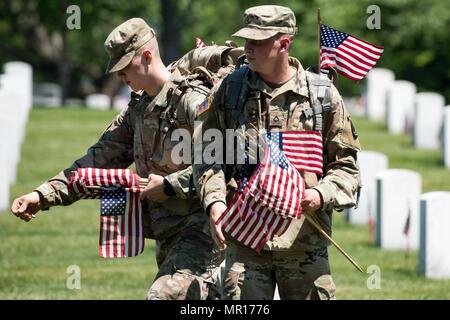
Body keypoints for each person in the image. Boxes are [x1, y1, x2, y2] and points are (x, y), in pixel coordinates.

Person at [10, 17, 224, 300]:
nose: (119, 76)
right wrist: (43, 194)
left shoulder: (192, 102)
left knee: (162, 296)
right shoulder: (137, 110)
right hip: (168, 234)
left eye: (124, 67)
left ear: (147, 56)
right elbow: (97, 160)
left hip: (205, 231)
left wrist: (170, 184)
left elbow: (221, 163)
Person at [193, 5, 361, 300]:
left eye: (257, 41)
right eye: (246, 40)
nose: (248, 48)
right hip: (244, 236)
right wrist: (215, 201)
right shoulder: (230, 90)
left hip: (304, 243)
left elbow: (346, 167)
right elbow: (208, 154)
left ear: (284, 43)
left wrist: (320, 194)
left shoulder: (321, 96)